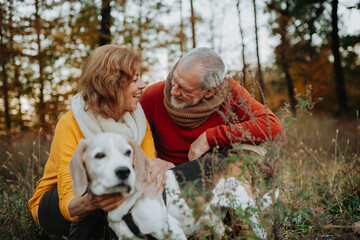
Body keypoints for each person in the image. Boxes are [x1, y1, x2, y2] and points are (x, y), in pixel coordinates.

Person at [28, 45, 173, 239]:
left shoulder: (138, 119)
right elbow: (69, 198)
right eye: (135, 79)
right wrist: (92, 201)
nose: (142, 84)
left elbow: (145, 168)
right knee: (97, 181)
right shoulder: (72, 123)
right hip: (59, 205)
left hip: (113, 189)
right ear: (112, 84)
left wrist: (160, 166)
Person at [140, 47, 283, 166]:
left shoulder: (230, 93)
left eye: (185, 89)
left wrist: (211, 137)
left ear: (210, 91)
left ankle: (242, 198)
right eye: (173, 80)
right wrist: (156, 163)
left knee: (255, 149)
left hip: (218, 169)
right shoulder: (153, 95)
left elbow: (273, 126)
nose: (173, 91)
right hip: (170, 174)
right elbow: (132, 138)